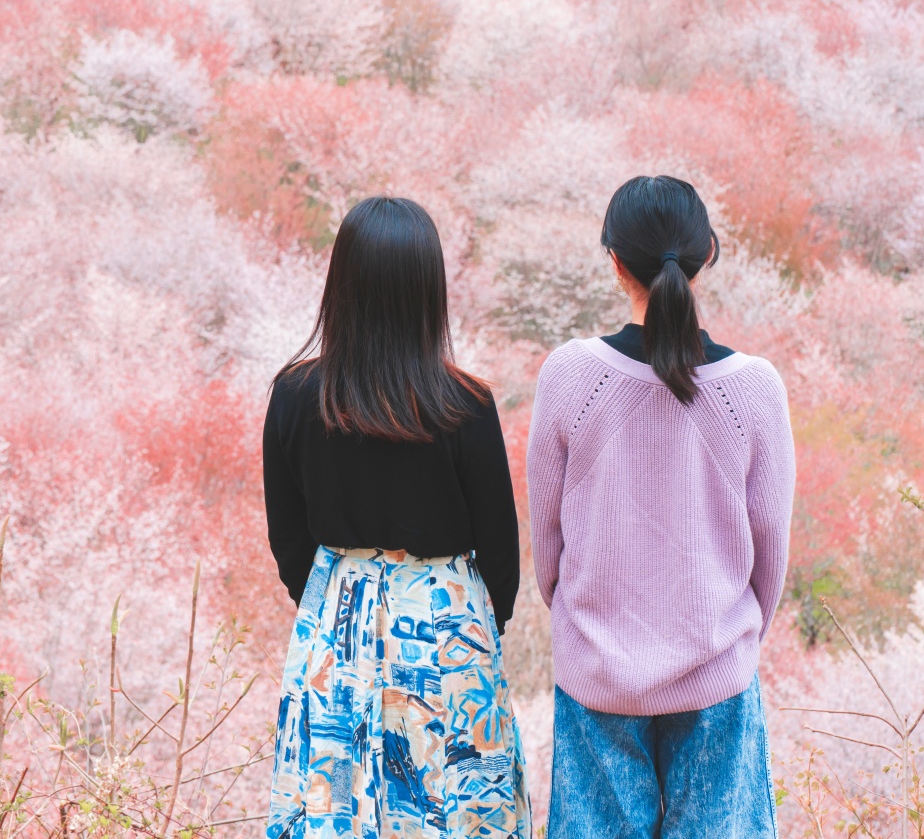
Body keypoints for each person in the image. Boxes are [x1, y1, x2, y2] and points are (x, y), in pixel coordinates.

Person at [524, 175, 795, 838]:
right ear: (708, 254)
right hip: (717, 678)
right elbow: (771, 557)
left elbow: (548, 544)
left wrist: (588, 623)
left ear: (614, 260)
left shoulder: (569, 375)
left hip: (598, 677)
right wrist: (726, 635)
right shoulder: (754, 388)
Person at [263, 196, 525, 839]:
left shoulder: (297, 395)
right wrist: (470, 624)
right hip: (447, 624)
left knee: (333, 805)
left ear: (341, 285)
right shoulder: (465, 404)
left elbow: (288, 541)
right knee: (460, 810)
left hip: (336, 625)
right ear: (428, 289)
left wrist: (338, 596)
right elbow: (501, 555)